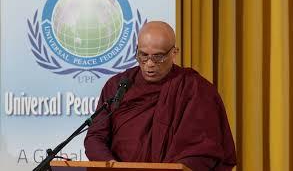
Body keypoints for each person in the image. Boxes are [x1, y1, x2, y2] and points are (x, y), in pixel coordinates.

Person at [84, 21, 236, 170]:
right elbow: (95, 137)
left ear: (174, 53)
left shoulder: (194, 88)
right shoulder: (118, 85)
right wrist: (112, 166)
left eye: (158, 57)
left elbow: (203, 149)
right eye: (143, 55)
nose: (149, 63)